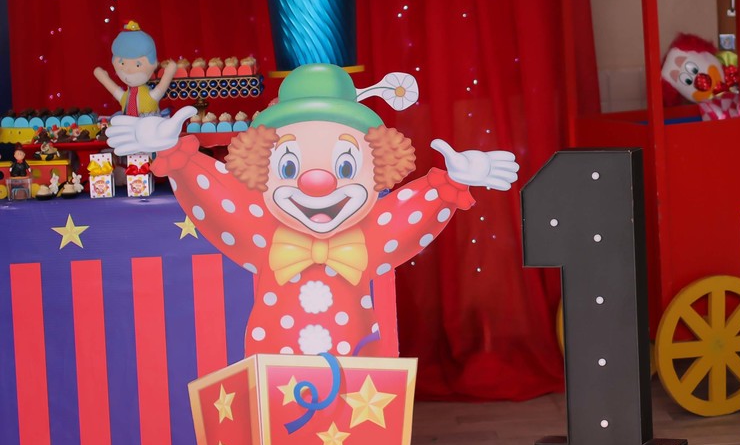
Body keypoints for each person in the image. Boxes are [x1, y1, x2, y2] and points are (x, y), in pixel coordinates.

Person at [105, 64, 519, 358]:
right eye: (290, 167)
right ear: (260, 165)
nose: (316, 182)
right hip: (274, 373)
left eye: (345, 167)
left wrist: (453, 182)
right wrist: (173, 153)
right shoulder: (262, 231)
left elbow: (410, 211)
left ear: (379, 164)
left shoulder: (369, 234)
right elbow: (216, 193)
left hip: (360, 380)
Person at [93, 20, 177, 117]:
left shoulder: (150, 96)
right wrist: (103, 77)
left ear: (154, 64)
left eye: (137, 65)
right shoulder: (125, 97)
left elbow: (161, 88)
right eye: (122, 63)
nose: (128, 70)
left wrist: (169, 73)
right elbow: (114, 89)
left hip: (148, 123)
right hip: (128, 123)